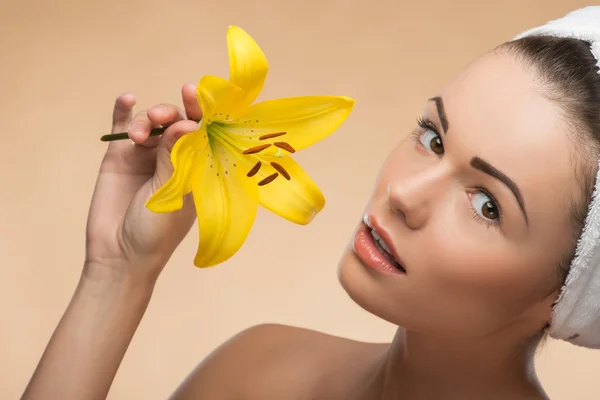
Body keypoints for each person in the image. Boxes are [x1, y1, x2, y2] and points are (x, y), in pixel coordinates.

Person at [20, 7, 600, 400]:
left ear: (568, 298)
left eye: (488, 205)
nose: (403, 194)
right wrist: (117, 272)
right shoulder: (259, 370)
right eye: (433, 138)